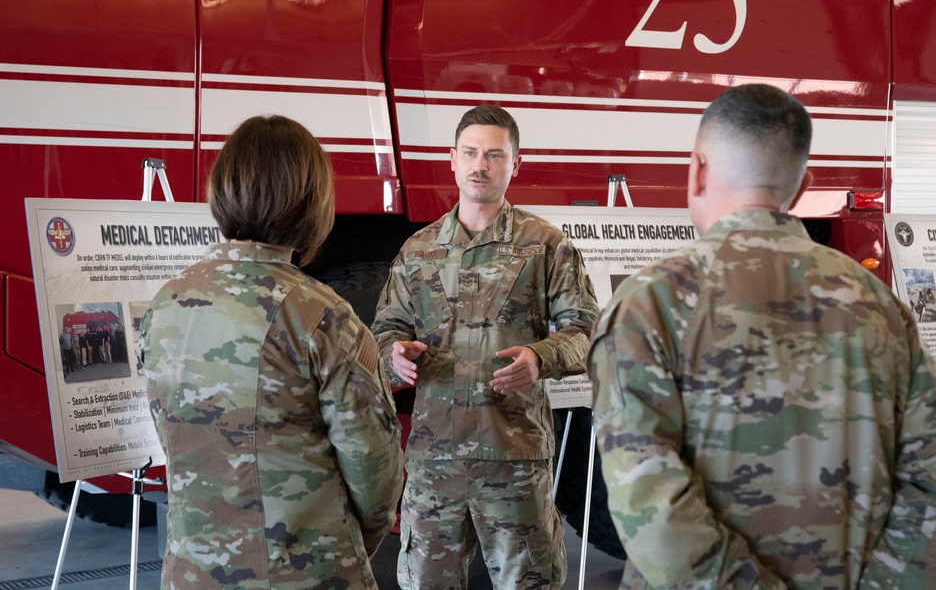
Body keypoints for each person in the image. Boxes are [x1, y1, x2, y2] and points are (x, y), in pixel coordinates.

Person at [587, 84, 936, 589]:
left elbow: (649, 504)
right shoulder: (880, 308)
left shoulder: (647, 306)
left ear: (697, 170)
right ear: (802, 187)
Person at [139, 115, 404, 589]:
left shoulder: (166, 304)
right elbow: (376, 473)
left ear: (222, 189)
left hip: (192, 573)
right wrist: (337, 548)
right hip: (302, 574)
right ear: (311, 201)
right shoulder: (322, 315)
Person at [372, 103, 599, 589]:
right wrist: (393, 355)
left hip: (514, 460)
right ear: (451, 158)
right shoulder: (418, 250)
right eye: (471, 153)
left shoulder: (546, 245)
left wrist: (541, 357)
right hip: (435, 465)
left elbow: (586, 330)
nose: (480, 165)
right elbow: (382, 332)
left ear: (515, 164)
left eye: (494, 155)